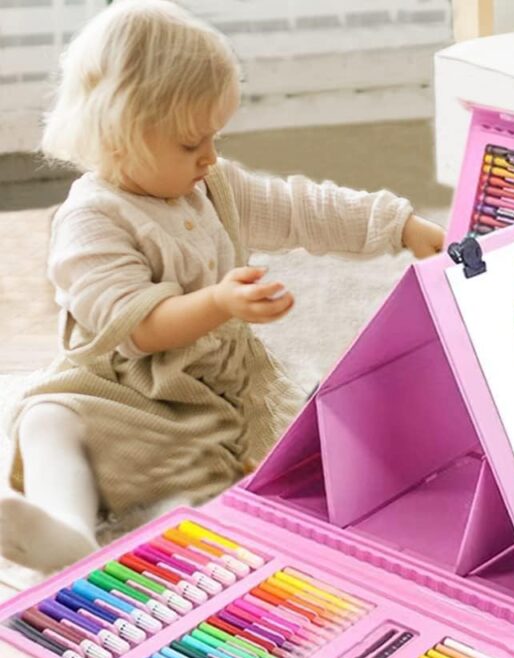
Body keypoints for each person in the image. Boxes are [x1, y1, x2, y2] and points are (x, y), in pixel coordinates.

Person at [0, 0, 444, 572]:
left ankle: (177, 511)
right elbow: (138, 330)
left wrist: (397, 225)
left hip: (210, 392)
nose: (210, 156)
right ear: (119, 136)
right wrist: (218, 302)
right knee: (46, 418)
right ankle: (66, 529)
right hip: (118, 390)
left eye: (214, 137)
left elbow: (301, 209)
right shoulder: (91, 220)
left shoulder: (215, 185)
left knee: (269, 447)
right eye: (190, 144)